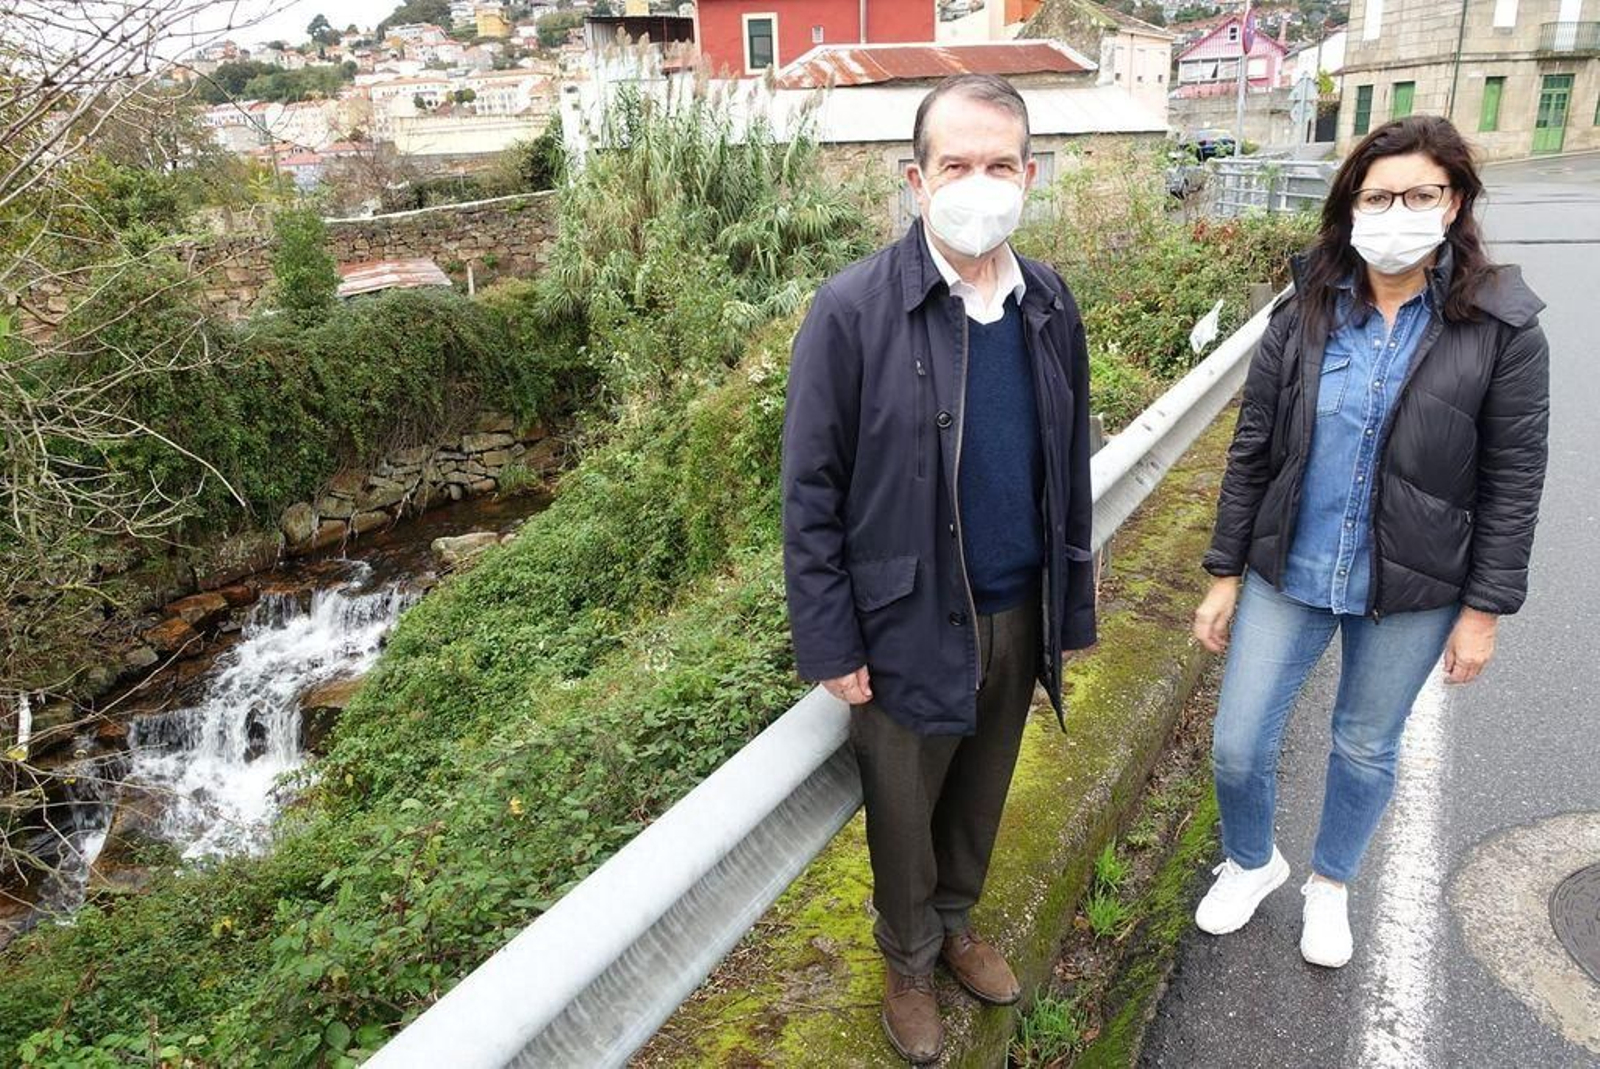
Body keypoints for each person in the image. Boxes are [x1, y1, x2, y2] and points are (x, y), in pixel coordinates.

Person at [780, 74, 1097, 1064]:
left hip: (1017, 601)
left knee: (982, 787)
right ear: (916, 180)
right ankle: (909, 959)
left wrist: (1069, 607)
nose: (978, 184)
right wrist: (830, 637)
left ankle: (957, 921)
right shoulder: (853, 309)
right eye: (955, 164)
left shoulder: (1048, 302)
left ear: (1030, 175)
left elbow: (1069, 463)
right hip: (905, 617)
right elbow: (810, 487)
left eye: (999, 164)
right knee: (903, 811)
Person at [1191, 115, 1550, 968]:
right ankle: (1252, 860)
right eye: (1377, 197)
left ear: (1453, 202)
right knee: (1237, 742)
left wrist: (1484, 611)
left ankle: (1331, 882)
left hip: (1414, 583)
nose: (1397, 213)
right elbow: (1253, 445)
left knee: (1363, 743)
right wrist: (1224, 570)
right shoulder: (1306, 309)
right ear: (1350, 206)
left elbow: (1513, 479)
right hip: (1291, 565)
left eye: (1419, 195)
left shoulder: (1502, 327)